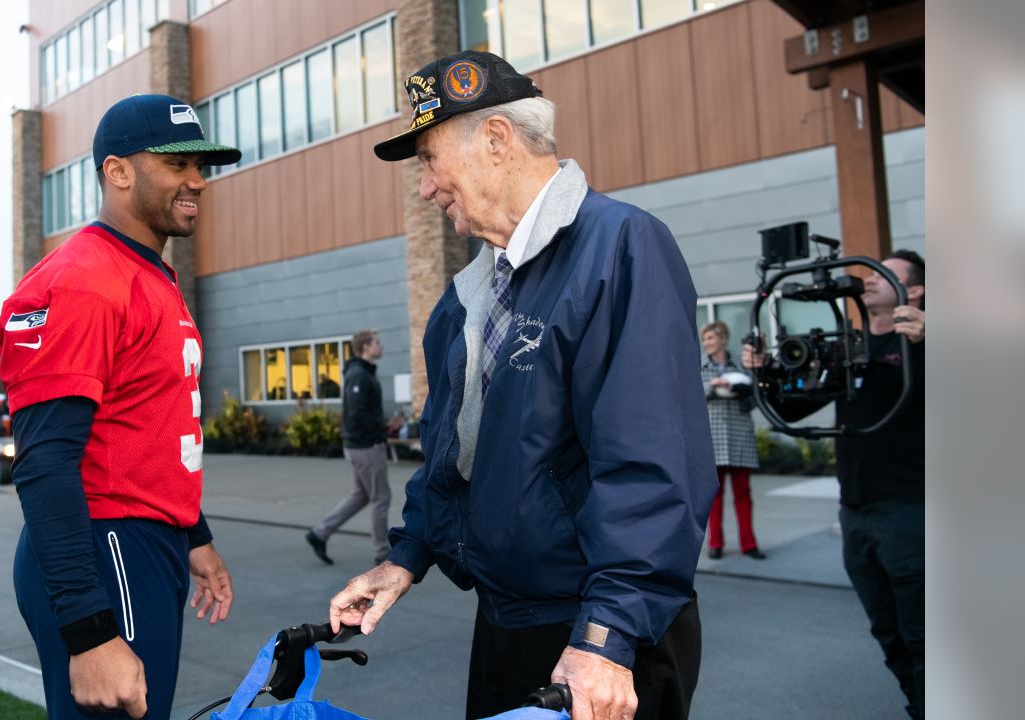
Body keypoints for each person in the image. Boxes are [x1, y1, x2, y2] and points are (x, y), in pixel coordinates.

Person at [328, 51, 716, 720]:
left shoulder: (621, 248)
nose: (425, 188)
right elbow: (454, 457)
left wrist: (607, 634)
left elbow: (653, 467)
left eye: (428, 159)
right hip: (508, 620)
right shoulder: (467, 299)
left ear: (498, 140)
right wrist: (407, 557)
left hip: (601, 634)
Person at [0, 95, 240, 720]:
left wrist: (194, 534)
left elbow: (148, 426)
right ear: (119, 171)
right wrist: (89, 629)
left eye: (201, 165)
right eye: (177, 164)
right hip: (105, 548)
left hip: (142, 542)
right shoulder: (79, 280)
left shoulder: (145, 271)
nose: (196, 180)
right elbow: (45, 462)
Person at [743, 249, 926, 719]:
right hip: (856, 511)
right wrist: (764, 373)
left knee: (922, 634)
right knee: (886, 631)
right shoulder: (854, 349)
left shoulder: (922, 345)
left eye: (885, 276)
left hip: (909, 509)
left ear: (915, 291)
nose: (870, 281)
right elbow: (792, 411)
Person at [306, 330, 391, 565]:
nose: (380, 345)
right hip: (366, 446)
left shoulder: (362, 373)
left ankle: (319, 534)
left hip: (360, 445)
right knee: (381, 498)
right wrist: (377, 433)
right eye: (377, 342)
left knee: (361, 495)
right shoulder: (359, 375)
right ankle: (382, 553)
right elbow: (357, 414)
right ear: (365, 347)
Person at [699, 321, 764, 560]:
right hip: (712, 438)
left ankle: (749, 544)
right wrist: (711, 388)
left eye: (711, 338)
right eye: (705, 339)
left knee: (743, 493)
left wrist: (742, 391)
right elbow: (689, 396)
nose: (707, 343)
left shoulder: (742, 366)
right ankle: (715, 543)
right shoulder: (699, 367)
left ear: (723, 339)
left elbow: (755, 398)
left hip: (739, 436)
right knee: (714, 495)